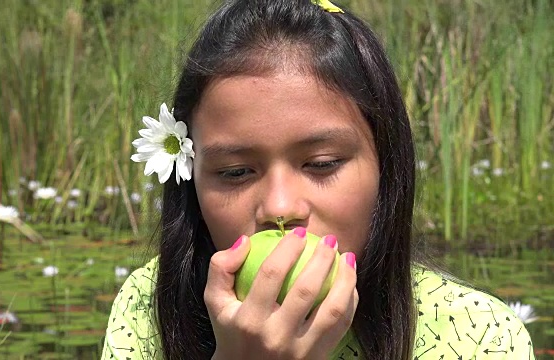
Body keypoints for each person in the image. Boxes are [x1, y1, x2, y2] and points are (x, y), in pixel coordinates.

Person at [102, 0, 535, 358]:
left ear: (387, 166)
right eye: (235, 172)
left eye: (323, 163)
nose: (280, 208)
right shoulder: (148, 307)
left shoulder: (478, 335)